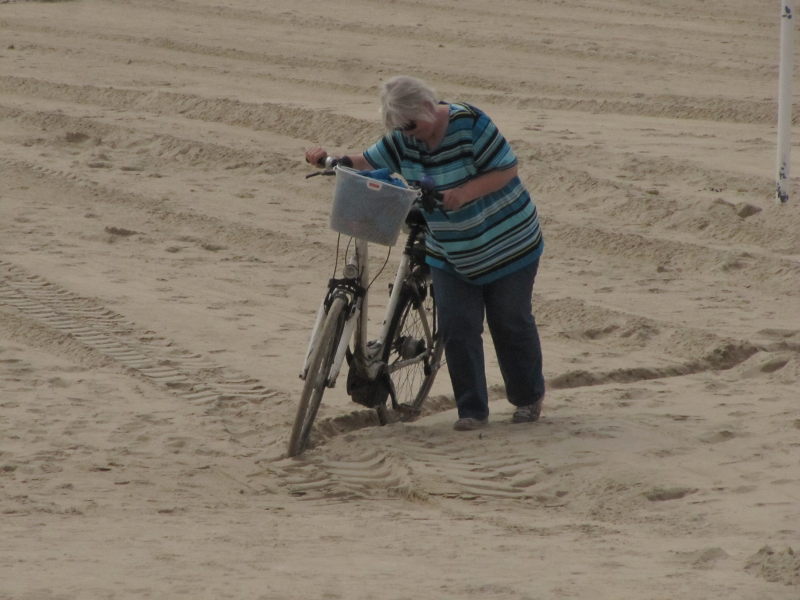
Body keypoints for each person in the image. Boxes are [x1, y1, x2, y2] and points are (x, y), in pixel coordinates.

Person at [305, 75, 545, 431]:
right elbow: (370, 159)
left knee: (509, 321)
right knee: (457, 327)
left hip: (507, 241)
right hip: (449, 249)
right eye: (401, 127)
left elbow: (506, 168)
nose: (408, 132)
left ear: (428, 107)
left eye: (412, 125)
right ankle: (472, 411)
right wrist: (331, 159)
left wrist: (464, 193)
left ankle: (527, 399)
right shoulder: (404, 137)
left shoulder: (470, 124)